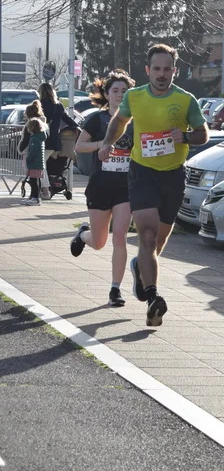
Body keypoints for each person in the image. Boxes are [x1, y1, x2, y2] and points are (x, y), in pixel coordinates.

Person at [99, 44, 208, 327]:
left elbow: (203, 133)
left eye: (167, 69)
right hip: (142, 172)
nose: (161, 74)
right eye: (156, 69)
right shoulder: (134, 96)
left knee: (158, 241)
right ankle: (153, 297)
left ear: (174, 71)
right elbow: (120, 121)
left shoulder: (185, 100)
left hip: (173, 175)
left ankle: (140, 268)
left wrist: (185, 136)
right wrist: (108, 143)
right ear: (148, 70)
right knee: (146, 236)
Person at [70, 70, 137, 307]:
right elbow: (79, 146)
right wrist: (103, 144)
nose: (120, 95)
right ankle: (83, 234)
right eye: (115, 91)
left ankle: (115, 289)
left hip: (125, 187)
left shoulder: (136, 121)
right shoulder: (97, 120)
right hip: (100, 186)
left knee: (120, 236)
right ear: (107, 94)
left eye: (124, 91)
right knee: (99, 242)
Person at [38, 82, 79, 198]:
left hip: (42, 140)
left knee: (39, 165)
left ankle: (45, 190)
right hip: (54, 141)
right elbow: (67, 119)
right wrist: (77, 127)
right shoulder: (58, 105)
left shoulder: (39, 105)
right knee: (43, 165)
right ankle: (46, 189)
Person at [20, 101, 48, 206]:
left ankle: (35, 198)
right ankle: (34, 196)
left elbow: (33, 152)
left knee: (33, 181)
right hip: (38, 163)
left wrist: (28, 159)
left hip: (34, 163)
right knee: (35, 180)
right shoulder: (39, 137)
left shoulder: (35, 139)